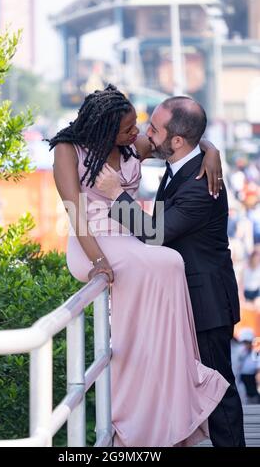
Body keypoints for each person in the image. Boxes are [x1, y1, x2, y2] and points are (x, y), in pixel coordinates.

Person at [50, 85, 229, 447]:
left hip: (130, 241)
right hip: (93, 241)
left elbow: (180, 142)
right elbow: (76, 212)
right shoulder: (68, 151)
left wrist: (212, 151)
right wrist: (98, 260)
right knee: (168, 260)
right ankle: (144, 400)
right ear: (104, 130)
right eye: (129, 129)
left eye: (138, 126)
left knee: (167, 264)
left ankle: (170, 382)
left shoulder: (131, 147)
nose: (138, 134)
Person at [98, 95, 245, 447]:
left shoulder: (201, 186)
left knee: (218, 389)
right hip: (183, 297)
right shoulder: (187, 158)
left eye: (154, 128)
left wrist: (117, 195)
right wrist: (209, 146)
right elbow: (191, 138)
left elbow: (154, 234)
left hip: (205, 301)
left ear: (177, 141)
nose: (147, 134)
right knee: (193, 384)